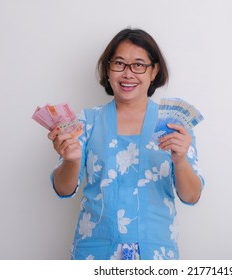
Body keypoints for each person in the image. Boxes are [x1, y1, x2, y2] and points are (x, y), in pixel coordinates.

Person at [47, 28, 204, 260]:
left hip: (156, 254)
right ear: (108, 70)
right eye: (119, 63)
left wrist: (180, 160)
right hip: (95, 252)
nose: (128, 73)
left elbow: (191, 196)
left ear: (154, 71)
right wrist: (71, 161)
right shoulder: (86, 121)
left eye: (139, 65)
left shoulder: (172, 124)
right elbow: (63, 189)